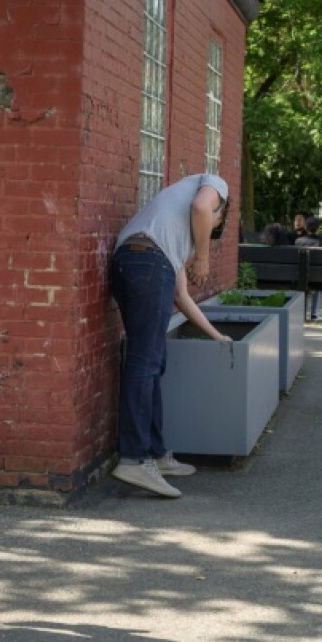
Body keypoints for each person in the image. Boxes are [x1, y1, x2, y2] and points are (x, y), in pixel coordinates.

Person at [110, 174, 232, 498]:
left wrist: (216, 335)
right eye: (216, 221)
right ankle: (135, 459)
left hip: (131, 261)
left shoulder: (169, 236)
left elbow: (181, 296)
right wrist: (204, 257)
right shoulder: (215, 184)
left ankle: (155, 453)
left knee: (152, 360)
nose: (210, 223)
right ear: (221, 212)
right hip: (147, 264)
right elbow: (201, 206)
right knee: (144, 361)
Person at [294, 216, 322, 321]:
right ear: (318, 228)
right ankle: (314, 314)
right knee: (318, 277)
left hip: (299, 276)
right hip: (319, 277)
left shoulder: (298, 242)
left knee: (313, 276)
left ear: (306, 227)